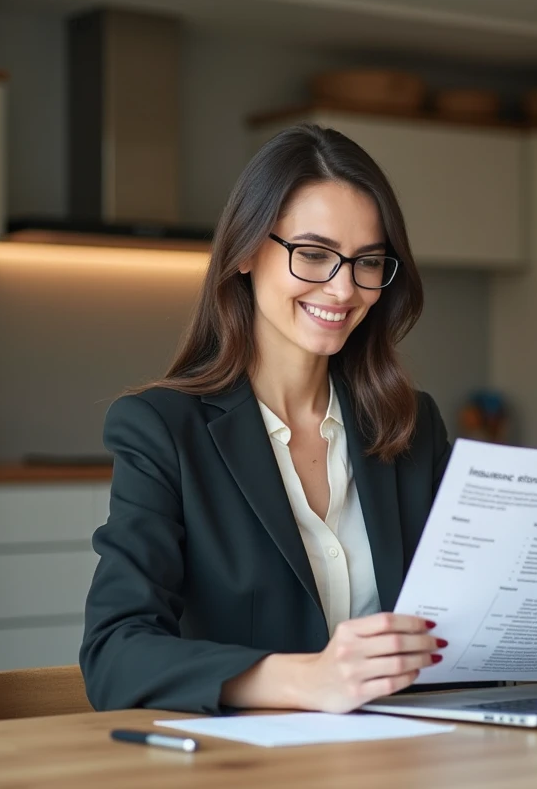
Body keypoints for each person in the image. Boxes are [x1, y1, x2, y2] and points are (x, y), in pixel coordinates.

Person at [80, 123, 456, 716]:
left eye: (368, 262)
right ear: (248, 251)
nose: (342, 288)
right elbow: (114, 655)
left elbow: (460, 619)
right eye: (312, 254)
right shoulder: (162, 429)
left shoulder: (412, 425)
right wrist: (305, 680)